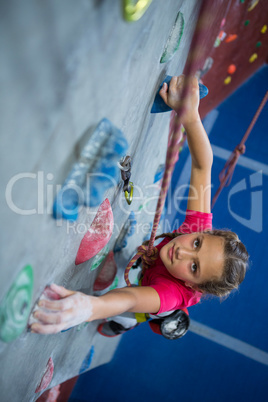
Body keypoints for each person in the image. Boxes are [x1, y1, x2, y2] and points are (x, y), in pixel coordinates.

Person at [29, 75, 249, 336]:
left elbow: (131, 298)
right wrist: (191, 117)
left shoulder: (168, 294)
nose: (183, 252)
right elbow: (203, 165)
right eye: (197, 244)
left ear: (195, 286)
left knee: (127, 315)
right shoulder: (196, 229)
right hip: (153, 265)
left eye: (194, 267)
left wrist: (89, 307)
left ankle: (121, 326)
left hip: (150, 298)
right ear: (204, 233)